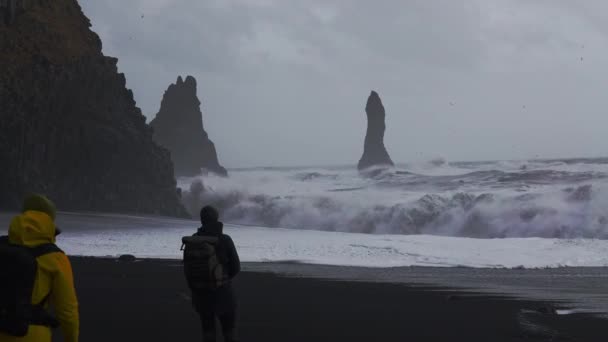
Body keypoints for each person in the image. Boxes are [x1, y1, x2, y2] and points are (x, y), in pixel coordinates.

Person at [0, 194, 79, 342]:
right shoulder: (55, 257)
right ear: (50, 220)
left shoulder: (2, 246)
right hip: (32, 335)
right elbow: (67, 311)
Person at [182, 206, 241, 342]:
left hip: (201, 294)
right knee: (228, 330)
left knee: (208, 330)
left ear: (201, 220)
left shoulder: (193, 240)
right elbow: (236, 267)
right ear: (216, 219)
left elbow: (187, 269)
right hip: (223, 293)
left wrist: (196, 288)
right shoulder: (224, 239)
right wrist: (221, 279)